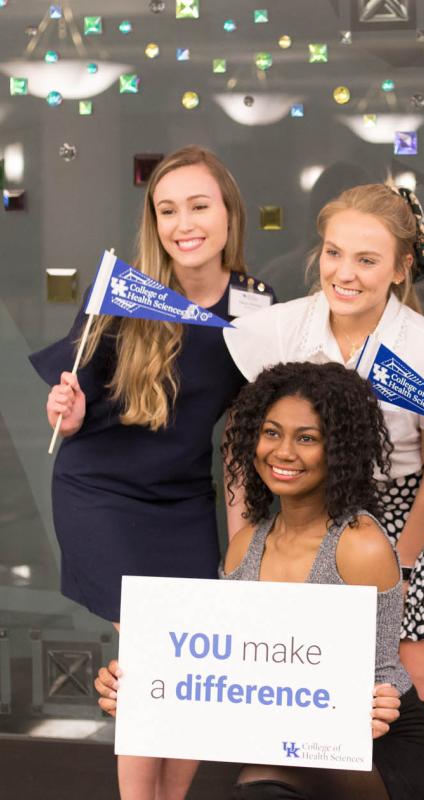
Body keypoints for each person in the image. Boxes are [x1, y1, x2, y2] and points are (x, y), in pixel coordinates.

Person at [223, 184, 424, 799]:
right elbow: (245, 447)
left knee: (414, 673)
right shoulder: (276, 330)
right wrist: (245, 539)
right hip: (308, 502)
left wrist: (395, 562)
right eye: (333, 253)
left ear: (402, 268)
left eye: (367, 260)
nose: (344, 273)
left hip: (417, 507)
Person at [30, 145, 274, 800]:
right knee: (155, 650)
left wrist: (242, 543)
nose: (183, 223)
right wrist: (71, 410)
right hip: (101, 491)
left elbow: (243, 439)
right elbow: (72, 402)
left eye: (198, 205)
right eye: (167, 210)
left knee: (193, 656)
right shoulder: (124, 291)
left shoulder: (256, 306)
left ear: (228, 214)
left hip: (184, 501)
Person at [96, 362, 424, 800]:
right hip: (292, 747)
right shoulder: (245, 546)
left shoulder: (359, 545)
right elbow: (222, 666)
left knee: (268, 776)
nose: (283, 452)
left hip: (384, 749)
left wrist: (379, 700)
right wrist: (141, 688)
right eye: (271, 433)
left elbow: (379, 672)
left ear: (338, 449)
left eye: (307, 438)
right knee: (271, 773)